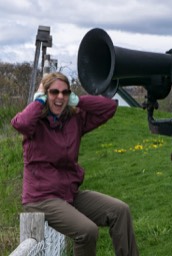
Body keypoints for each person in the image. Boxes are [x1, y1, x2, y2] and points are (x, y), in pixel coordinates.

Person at [11, 72, 139, 256]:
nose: (60, 97)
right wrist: (38, 102)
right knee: (87, 231)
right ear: (46, 94)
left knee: (120, 211)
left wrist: (78, 101)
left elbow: (109, 108)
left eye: (66, 93)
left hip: (68, 194)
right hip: (41, 198)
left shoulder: (74, 120)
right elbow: (20, 123)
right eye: (54, 92)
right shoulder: (35, 123)